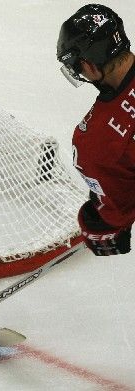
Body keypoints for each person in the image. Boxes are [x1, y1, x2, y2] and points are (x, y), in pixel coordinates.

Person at [56, 3, 135, 256]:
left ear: (89, 65)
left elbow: (116, 215)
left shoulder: (96, 140)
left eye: (78, 67)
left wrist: (98, 224)